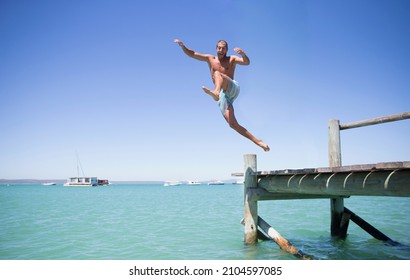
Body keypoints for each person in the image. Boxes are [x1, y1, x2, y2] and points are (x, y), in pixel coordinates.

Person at [174, 39, 270, 152]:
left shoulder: (232, 59)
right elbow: (193, 54)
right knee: (233, 124)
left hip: (232, 88)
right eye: (219, 47)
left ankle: (215, 92)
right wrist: (183, 46)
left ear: (227, 50)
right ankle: (258, 142)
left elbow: (246, 62)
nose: (221, 50)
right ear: (216, 48)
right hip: (223, 96)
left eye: (223, 48)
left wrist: (243, 54)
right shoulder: (210, 59)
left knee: (217, 73)